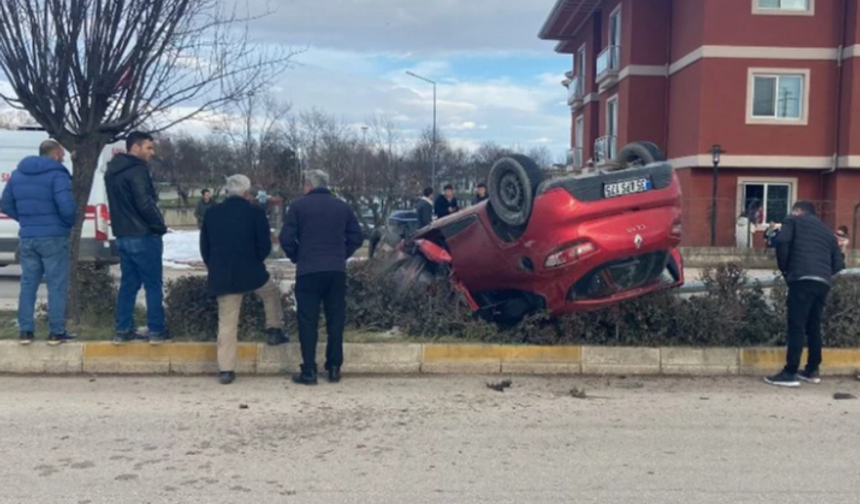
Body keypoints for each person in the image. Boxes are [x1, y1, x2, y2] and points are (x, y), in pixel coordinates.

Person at [200, 175, 288, 385]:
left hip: (223, 275)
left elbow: (205, 247)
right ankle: (274, 329)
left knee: (227, 323)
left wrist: (214, 266)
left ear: (227, 191)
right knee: (271, 292)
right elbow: (264, 246)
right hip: (252, 273)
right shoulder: (255, 213)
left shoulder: (212, 213)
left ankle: (226, 370)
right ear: (247, 193)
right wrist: (255, 262)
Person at [280, 170, 363, 385]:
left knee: (308, 320)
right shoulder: (342, 206)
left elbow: (286, 238)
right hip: (336, 271)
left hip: (308, 270)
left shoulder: (298, 207)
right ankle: (334, 367)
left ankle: (309, 370)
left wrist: (297, 256)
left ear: (308, 185)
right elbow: (357, 236)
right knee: (335, 319)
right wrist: (341, 254)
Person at [1, 140, 76, 346]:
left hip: (28, 236)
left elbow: (5, 204)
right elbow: (67, 207)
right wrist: (67, 224)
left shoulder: (17, 175)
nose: (63, 158)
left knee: (28, 284)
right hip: (54, 236)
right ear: (54, 154)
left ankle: (26, 332)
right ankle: (56, 332)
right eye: (61, 154)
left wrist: (25, 220)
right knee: (56, 284)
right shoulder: (58, 175)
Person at [766, 201, 844, 387]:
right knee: (813, 325)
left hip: (801, 278)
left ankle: (790, 372)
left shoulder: (793, 221)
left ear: (798, 211)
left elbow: (782, 241)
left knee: (796, 325)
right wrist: (823, 273)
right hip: (823, 282)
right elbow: (839, 263)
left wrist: (785, 269)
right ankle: (812, 370)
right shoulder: (827, 231)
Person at [105, 131, 170, 345]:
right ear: (135, 147)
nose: (152, 152)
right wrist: (159, 226)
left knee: (128, 284)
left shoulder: (111, 171)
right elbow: (144, 203)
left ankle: (122, 330)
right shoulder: (138, 170)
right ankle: (156, 331)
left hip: (123, 234)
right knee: (152, 284)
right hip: (143, 235)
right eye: (149, 148)